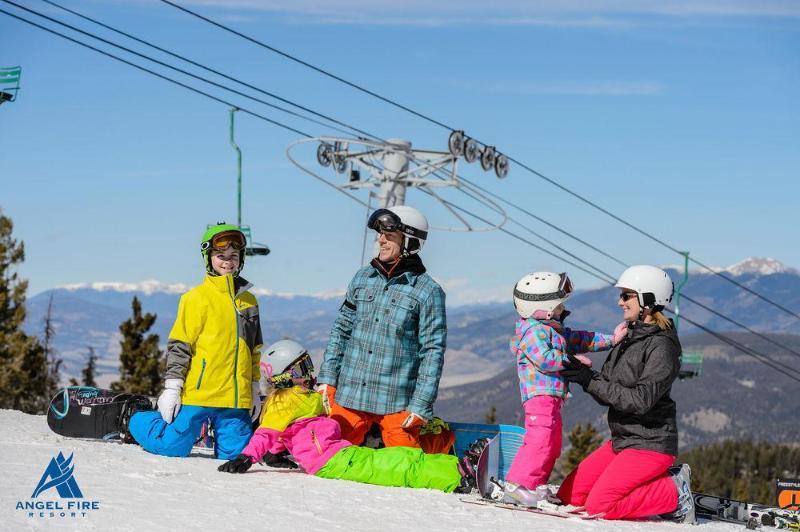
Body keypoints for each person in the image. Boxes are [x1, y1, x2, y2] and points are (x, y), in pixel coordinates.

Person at [218, 339, 478, 494]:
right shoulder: (284, 401)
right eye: (302, 368)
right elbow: (268, 431)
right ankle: (457, 478)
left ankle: (459, 467)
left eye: (308, 364)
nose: (309, 372)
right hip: (331, 462)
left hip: (341, 454)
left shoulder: (302, 397)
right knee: (397, 468)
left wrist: (274, 454)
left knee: (402, 455)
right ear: (285, 377)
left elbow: (282, 433)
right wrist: (246, 457)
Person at [556, 265, 695, 523]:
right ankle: (651, 487)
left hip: (650, 444)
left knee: (600, 506)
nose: (620, 302)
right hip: (622, 440)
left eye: (627, 295)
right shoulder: (630, 337)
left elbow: (640, 401)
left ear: (649, 300)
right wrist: (585, 376)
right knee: (570, 496)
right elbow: (608, 390)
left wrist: (591, 381)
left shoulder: (662, 347)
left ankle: (674, 492)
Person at [123, 223, 264, 460]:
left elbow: (254, 348)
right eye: (221, 256)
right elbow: (180, 345)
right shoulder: (195, 299)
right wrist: (172, 388)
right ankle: (134, 417)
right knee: (172, 447)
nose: (227, 262)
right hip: (198, 394)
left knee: (236, 456)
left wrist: (253, 387)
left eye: (233, 256)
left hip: (235, 398)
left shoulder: (249, 301)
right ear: (208, 258)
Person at [491, 272, 626, 507]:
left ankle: (535, 485)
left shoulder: (552, 329)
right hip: (538, 397)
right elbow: (544, 359)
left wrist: (612, 340)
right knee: (539, 439)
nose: (564, 309)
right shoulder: (533, 332)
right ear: (546, 308)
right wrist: (571, 361)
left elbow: (582, 338)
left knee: (552, 443)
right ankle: (517, 485)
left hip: (552, 398)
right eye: (560, 304)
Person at [316, 206, 447, 449]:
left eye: (389, 235)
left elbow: (432, 353)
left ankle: (442, 444)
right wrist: (327, 378)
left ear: (410, 241)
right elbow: (341, 329)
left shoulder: (428, 292)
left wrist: (421, 404)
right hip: (350, 395)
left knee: (403, 469)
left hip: (396, 401)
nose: (380, 240)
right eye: (379, 234)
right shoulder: (362, 278)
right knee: (325, 452)